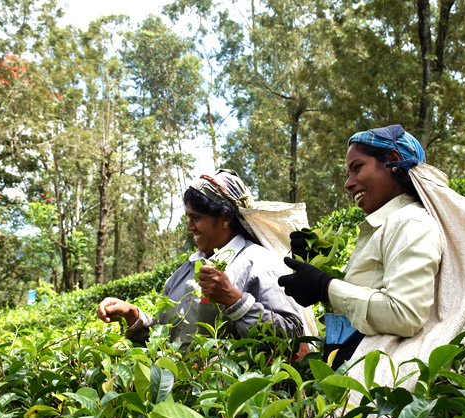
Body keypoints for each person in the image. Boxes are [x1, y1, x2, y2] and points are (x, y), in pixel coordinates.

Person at [278, 125, 443, 368]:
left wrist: (324, 286)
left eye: (357, 168)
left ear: (393, 160)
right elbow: (367, 298)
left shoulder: (411, 222)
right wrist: (316, 267)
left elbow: (405, 315)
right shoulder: (387, 225)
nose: (348, 183)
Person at [97, 169, 304, 350]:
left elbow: (292, 333)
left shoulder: (259, 263)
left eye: (196, 218)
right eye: (188, 218)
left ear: (226, 218)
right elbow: (165, 342)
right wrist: (132, 315)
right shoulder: (184, 272)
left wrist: (234, 301)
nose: (189, 227)